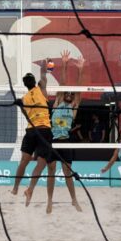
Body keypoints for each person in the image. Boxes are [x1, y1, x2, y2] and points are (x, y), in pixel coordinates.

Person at [11, 61, 54, 207]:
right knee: (41, 163)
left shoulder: (24, 98)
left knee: (24, 160)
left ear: (25, 84)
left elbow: (25, 115)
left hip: (31, 130)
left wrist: (20, 105)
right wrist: (44, 65)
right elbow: (43, 75)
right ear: (33, 82)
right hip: (43, 130)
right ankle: (29, 189)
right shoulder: (41, 89)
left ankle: (16, 188)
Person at [48, 51, 84, 213]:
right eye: (67, 94)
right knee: (51, 172)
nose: (69, 94)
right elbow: (62, 85)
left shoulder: (73, 107)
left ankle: (74, 200)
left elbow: (79, 90)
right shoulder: (57, 103)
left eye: (71, 94)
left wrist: (80, 70)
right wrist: (64, 64)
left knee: (68, 173)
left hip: (65, 141)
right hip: (52, 141)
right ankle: (49, 200)